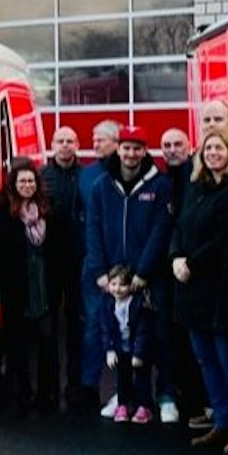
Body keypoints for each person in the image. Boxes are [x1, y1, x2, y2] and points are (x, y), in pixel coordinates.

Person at [171, 128, 228, 455]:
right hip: (191, 288)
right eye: (208, 148)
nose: (213, 153)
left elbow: (224, 237)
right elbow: (178, 225)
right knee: (205, 359)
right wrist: (176, 256)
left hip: (221, 287)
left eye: (220, 147)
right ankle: (221, 420)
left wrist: (191, 261)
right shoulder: (196, 187)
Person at [82, 125, 171, 417]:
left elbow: (161, 230)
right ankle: (123, 397)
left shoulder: (160, 185)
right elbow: (92, 230)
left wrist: (143, 272)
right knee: (120, 338)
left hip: (149, 277)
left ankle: (164, 396)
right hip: (114, 280)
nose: (131, 154)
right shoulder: (101, 186)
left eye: (137, 148)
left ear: (145, 151)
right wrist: (100, 273)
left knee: (157, 335)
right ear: (118, 149)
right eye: (126, 147)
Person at [0, 162, 63, 415]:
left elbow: (57, 248)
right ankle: (20, 395)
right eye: (22, 182)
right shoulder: (3, 213)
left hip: (44, 284)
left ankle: (48, 396)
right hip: (18, 288)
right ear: (13, 185)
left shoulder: (47, 210)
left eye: (31, 181)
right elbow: (0, 250)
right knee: (17, 345)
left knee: (47, 342)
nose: (27, 186)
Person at [77, 119, 125, 415]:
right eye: (93, 139)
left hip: (123, 263)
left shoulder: (129, 172)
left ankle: (129, 391)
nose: (95, 144)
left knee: (129, 329)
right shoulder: (87, 175)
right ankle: (88, 384)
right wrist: (95, 267)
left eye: (101, 139)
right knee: (94, 325)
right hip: (94, 264)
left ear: (116, 143)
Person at [155, 125, 202, 428]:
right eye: (166, 144)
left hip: (190, 268)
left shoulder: (195, 179)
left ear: (188, 146)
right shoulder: (160, 181)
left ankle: (197, 401)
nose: (172, 149)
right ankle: (172, 395)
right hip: (162, 271)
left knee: (193, 339)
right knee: (166, 337)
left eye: (177, 144)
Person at [37, 127, 86, 410]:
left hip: (80, 261)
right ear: (52, 145)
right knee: (49, 327)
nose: (65, 146)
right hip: (50, 263)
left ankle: (75, 386)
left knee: (76, 326)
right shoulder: (42, 177)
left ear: (77, 144)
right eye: (60, 141)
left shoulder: (87, 176)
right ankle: (50, 388)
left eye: (70, 141)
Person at [96, 264, 153, 423]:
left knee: (142, 376)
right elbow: (105, 329)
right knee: (122, 377)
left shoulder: (138, 304)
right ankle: (122, 404)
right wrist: (109, 350)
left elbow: (143, 331)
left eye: (122, 285)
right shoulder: (108, 304)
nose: (117, 289)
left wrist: (139, 353)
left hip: (137, 348)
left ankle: (144, 406)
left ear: (130, 286)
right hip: (121, 348)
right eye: (114, 284)